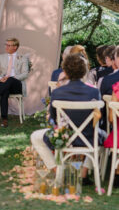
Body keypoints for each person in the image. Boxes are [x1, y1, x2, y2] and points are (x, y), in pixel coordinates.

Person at [31, 53, 104, 184]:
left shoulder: (58, 92)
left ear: (65, 71)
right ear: (84, 71)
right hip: (88, 138)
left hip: (63, 138)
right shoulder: (94, 92)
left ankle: (57, 170)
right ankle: (84, 172)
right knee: (101, 135)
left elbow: (53, 121)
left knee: (35, 136)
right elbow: (99, 120)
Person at [0, 37, 29, 127]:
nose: (6, 47)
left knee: (10, 79)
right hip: (4, 84)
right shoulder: (1, 57)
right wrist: (1, 78)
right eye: (6, 45)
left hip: (16, 84)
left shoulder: (22, 58)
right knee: (5, 91)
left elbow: (25, 74)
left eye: (9, 45)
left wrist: (12, 77)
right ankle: (4, 119)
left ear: (15, 47)